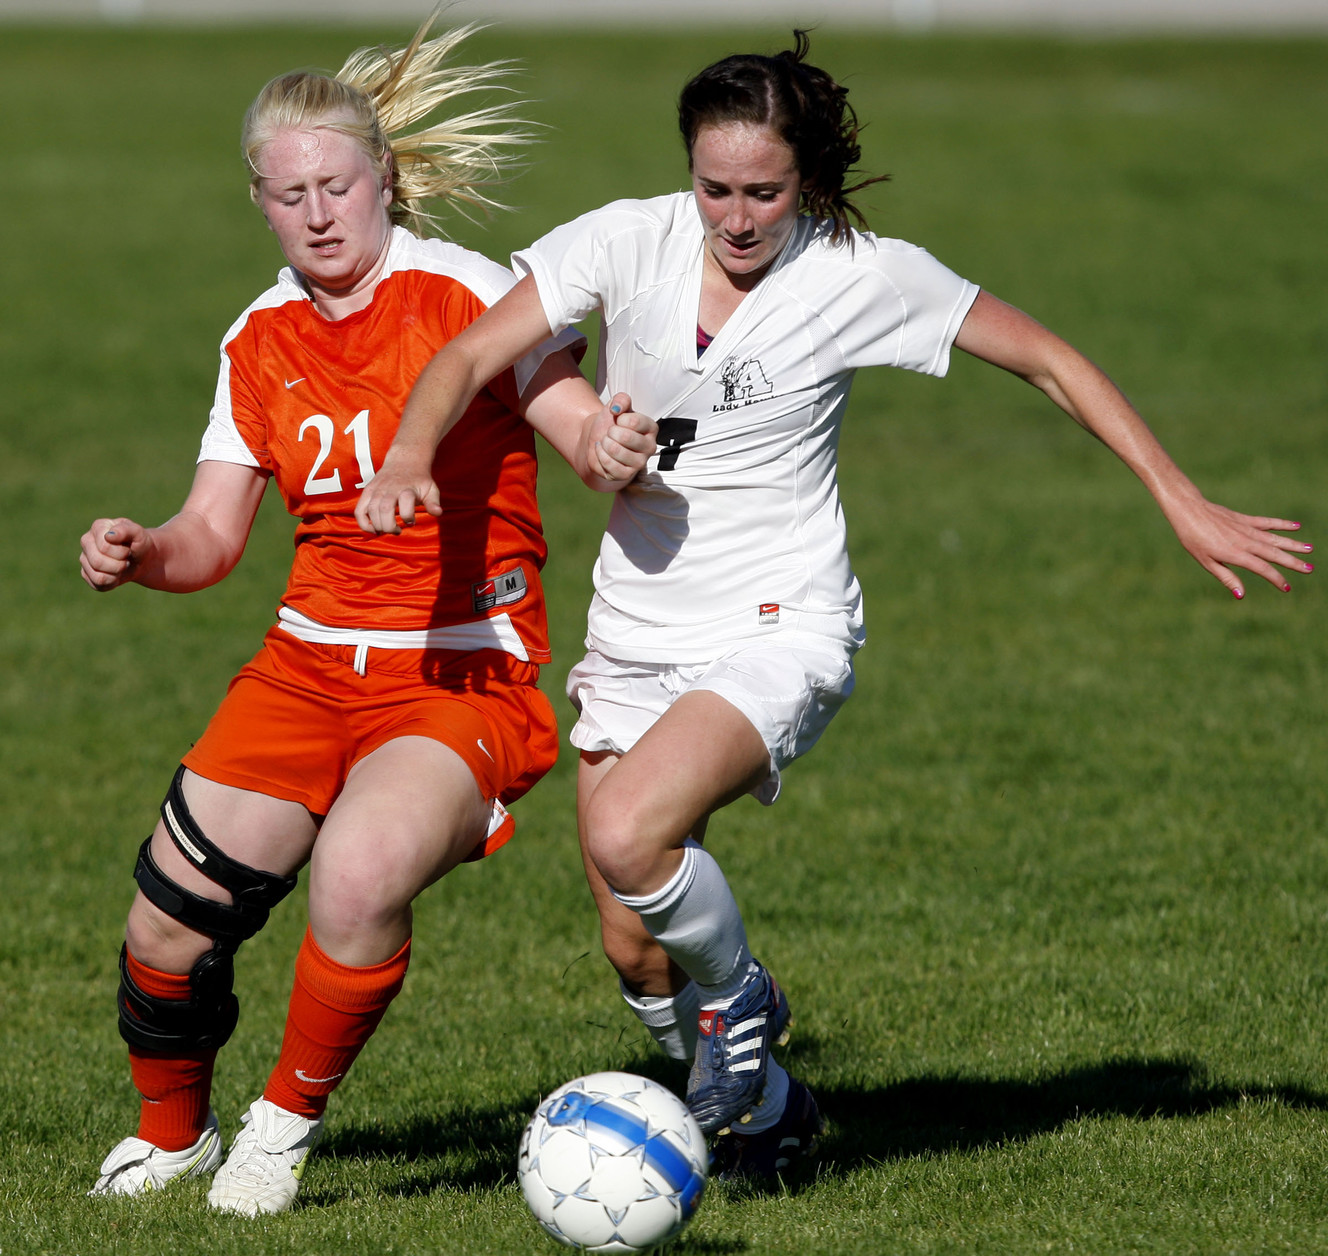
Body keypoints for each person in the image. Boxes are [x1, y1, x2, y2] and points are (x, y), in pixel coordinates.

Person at [355, 32, 1314, 1181]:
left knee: (627, 835)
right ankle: (764, 1112)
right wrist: (415, 452)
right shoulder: (625, 237)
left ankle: (742, 996)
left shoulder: (863, 274)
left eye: (764, 191)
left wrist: (1179, 497)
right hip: (637, 626)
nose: (737, 215)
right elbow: (468, 356)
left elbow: (1049, 359)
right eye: (715, 188)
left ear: (805, 179)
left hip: (779, 622)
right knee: (631, 938)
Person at [79, 15, 654, 1215]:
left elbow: (578, 433)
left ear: (383, 176)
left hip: (457, 678)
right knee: (164, 926)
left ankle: (279, 1126)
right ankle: (170, 1133)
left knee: (357, 872)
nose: (320, 214)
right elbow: (213, 539)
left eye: (337, 184)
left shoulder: (464, 292)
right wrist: (144, 553)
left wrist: (611, 437)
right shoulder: (260, 337)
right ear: (260, 203)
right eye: (290, 196)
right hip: (302, 670)